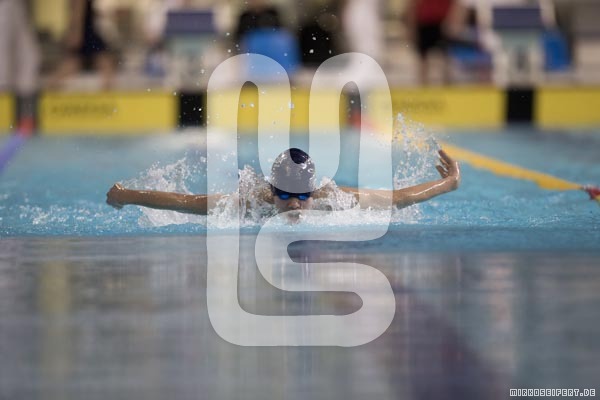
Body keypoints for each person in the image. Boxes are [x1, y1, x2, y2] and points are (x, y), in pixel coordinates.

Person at [106, 148, 460, 224]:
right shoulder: (250, 203)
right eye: (286, 196)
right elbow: (184, 202)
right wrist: (125, 196)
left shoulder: (332, 200)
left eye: (302, 196)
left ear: (313, 192)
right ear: (272, 191)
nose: (294, 204)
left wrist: (448, 183)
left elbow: (397, 198)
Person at [48, 0, 115, 90]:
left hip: (85, 30)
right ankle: (52, 85)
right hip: (85, 32)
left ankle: (52, 84)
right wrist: (75, 32)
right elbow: (77, 13)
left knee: (75, 62)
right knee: (103, 60)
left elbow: (79, 12)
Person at [0, 0, 40, 135]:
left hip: (16, 5)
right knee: (3, 65)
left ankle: (26, 118)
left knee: (29, 58)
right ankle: (11, 119)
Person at [406, 0, 459, 85]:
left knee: (445, 60)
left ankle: (447, 86)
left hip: (442, 24)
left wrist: (453, 22)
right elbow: (412, 6)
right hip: (424, 24)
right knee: (423, 61)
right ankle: (423, 87)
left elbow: (455, 5)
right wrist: (411, 29)